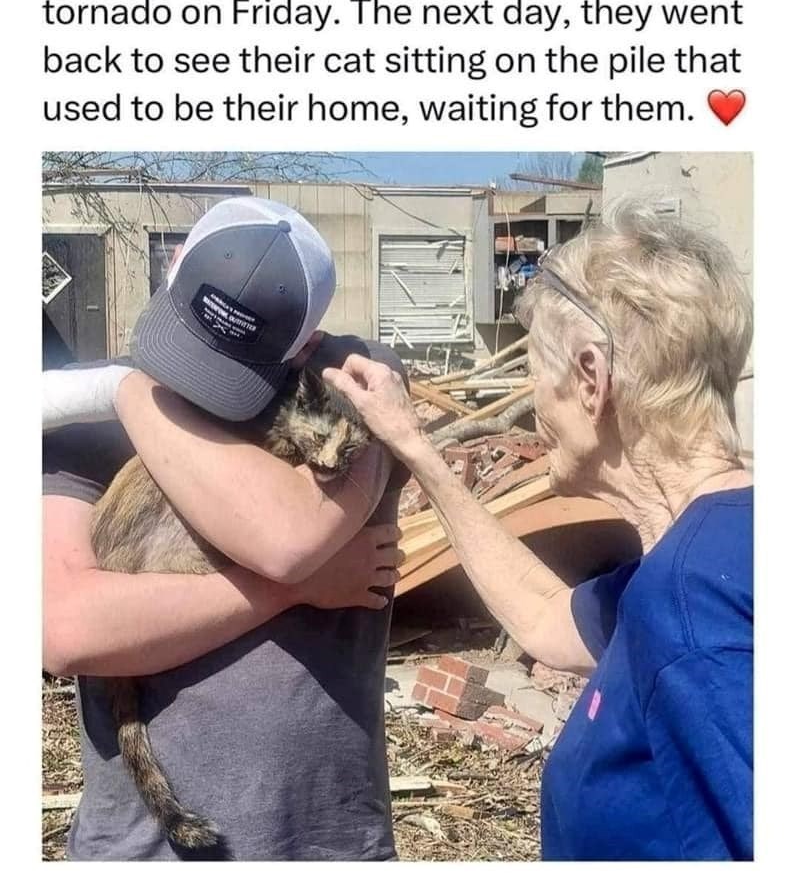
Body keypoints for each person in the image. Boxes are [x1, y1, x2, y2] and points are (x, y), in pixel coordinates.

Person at [323, 199, 754, 861]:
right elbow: (545, 617)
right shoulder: (696, 561)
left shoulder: (696, 615)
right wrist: (415, 446)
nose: (534, 412)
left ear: (591, 380)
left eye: (535, 380)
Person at [43, 198, 407, 861]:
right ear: (172, 267)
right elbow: (67, 631)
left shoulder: (355, 387)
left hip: (324, 838)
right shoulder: (82, 434)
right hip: (145, 846)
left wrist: (124, 393)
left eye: (232, 367)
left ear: (308, 345)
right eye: (190, 347)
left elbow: (290, 538)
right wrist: (291, 591)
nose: (195, 386)